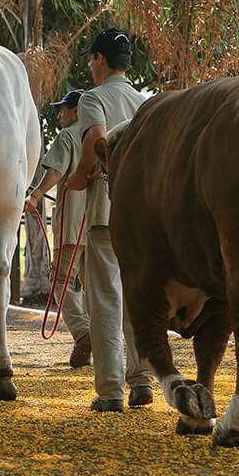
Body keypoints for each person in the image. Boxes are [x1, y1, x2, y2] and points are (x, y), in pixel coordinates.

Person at [66, 27, 155, 413]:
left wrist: (79, 175)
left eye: (91, 58)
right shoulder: (146, 101)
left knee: (104, 299)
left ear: (100, 60)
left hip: (105, 208)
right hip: (146, 213)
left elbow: (97, 140)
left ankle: (110, 390)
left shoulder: (93, 98)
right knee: (137, 297)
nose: (90, 65)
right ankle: (143, 379)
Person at [24, 89, 92, 368]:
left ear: (76, 111)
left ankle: (84, 334)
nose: (60, 114)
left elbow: (55, 172)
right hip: (99, 222)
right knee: (95, 287)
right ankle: (98, 342)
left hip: (73, 222)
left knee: (60, 282)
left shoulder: (68, 136)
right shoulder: (99, 135)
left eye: (64, 109)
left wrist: (35, 196)